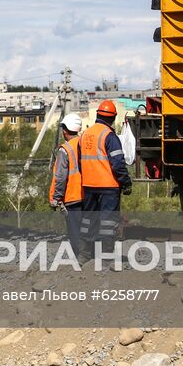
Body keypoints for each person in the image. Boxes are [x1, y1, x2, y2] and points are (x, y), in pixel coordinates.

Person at [78, 101, 134, 259]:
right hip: (108, 186)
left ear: (97, 115)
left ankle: (85, 254)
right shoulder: (109, 136)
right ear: (114, 118)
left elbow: (81, 162)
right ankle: (106, 256)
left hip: (89, 185)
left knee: (88, 219)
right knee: (107, 222)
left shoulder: (85, 135)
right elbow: (118, 164)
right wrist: (126, 182)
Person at [48, 113, 84, 255]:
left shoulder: (65, 150)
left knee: (75, 231)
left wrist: (56, 198)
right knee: (87, 228)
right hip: (87, 194)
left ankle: (79, 258)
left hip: (72, 197)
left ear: (65, 130)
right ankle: (90, 256)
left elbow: (61, 177)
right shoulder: (84, 144)